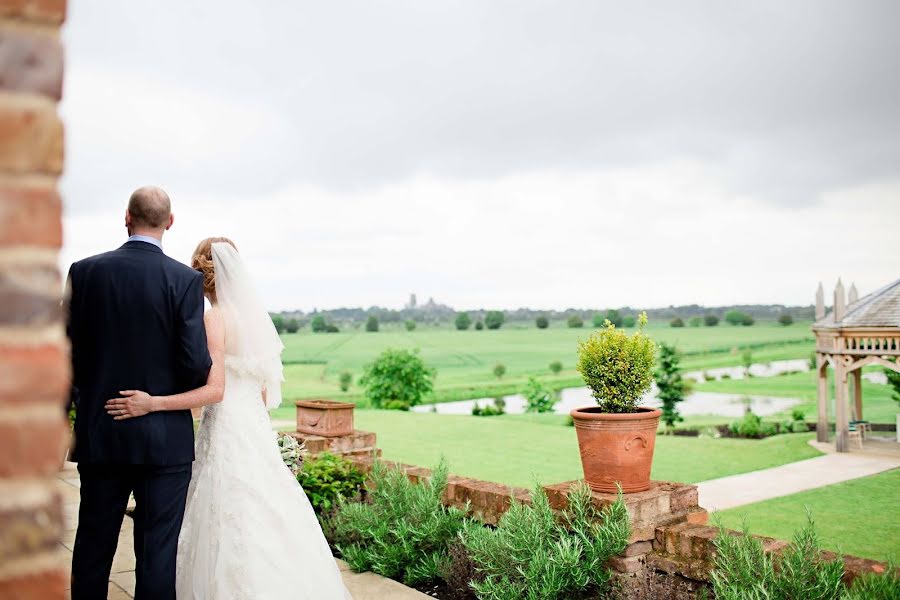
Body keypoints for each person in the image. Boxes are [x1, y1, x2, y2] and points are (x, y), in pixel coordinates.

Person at [105, 237, 351, 599]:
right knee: (266, 510)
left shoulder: (214, 319)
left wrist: (152, 403)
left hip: (225, 427)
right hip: (252, 428)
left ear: (200, 275)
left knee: (224, 508)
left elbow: (215, 391)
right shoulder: (253, 322)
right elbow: (264, 394)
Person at [67, 186, 218, 600]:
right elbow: (194, 364)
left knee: (93, 548)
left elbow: (66, 355)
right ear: (170, 223)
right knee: (156, 555)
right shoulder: (184, 281)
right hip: (164, 442)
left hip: (102, 436)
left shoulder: (84, 272)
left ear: (126, 217)